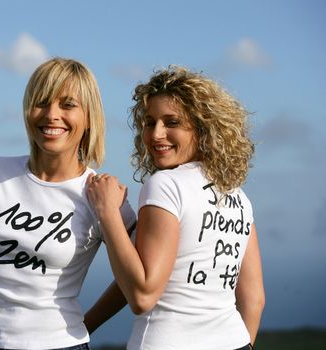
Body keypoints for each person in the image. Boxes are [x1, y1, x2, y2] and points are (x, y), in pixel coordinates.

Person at [0, 57, 136, 350]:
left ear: (89, 117)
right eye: (42, 102)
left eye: (68, 105)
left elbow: (135, 283)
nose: (51, 115)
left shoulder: (103, 195)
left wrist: (86, 324)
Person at [85, 66, 265, 350]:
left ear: (203, 128)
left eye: (172, 122)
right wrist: (85, 326)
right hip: (236, 342)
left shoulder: (166, 185)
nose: (157, 134)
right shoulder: (238, 197)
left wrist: (107, 212)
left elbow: (143, 295)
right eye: (149, 122)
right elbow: (254, 298)